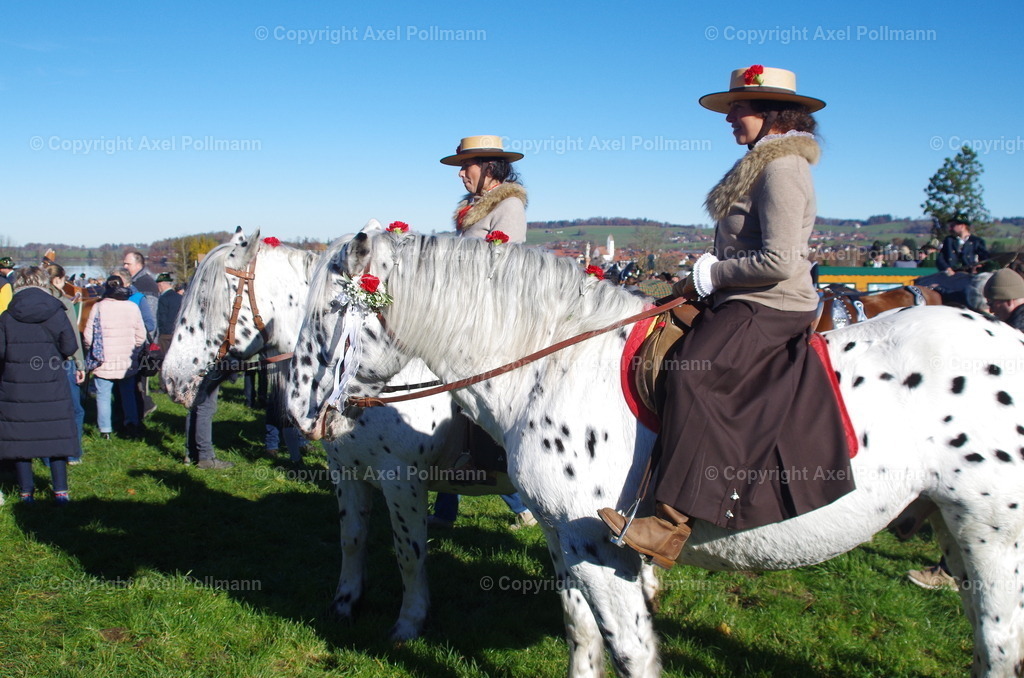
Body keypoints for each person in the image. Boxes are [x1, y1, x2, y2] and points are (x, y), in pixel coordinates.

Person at [599, 65, 855, 568]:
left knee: (693, 375)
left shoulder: (783, 168)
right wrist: (694, 279)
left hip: (773, 302)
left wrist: (714, 275)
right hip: (743, 295)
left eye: (737, 107)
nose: (728, 117)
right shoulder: (761, 163)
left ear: (770, 113)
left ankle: (671, 523)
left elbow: (779, 261)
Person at [431, 135, 536, 530]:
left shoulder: (509, 206)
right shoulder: (472, 208)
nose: (460, 174)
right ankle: (447, 509)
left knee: (472, 404)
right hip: (462, 314)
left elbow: (503, 266)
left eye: (467, 166)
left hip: (488, 319)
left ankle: (519, 501)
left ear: (490, 167)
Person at [0, 267, 82, 502]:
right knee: (56, 435)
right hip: (51, 381)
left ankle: (26, 492)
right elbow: (69, 346)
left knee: (20, 438)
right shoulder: (56, 312)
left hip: (16, 384)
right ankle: (61, 491)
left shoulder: (7, 316)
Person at [84, 276, 146, 439]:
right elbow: (141, 336)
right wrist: (134, 351)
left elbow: (88, 336)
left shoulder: (98, 307)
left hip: (103, 359)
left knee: (103, 395)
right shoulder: (132, 307)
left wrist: (93, 352)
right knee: (128, 394)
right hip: (126, 360)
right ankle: (131, 424)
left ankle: (105, 430)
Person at [46, 264, 86, 463]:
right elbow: (72, 337)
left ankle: (47, 455)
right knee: (74, 409)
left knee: (47, 410)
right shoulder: (63, 303)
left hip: (40, 361)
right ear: (58, 280)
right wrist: (80, 364)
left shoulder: (34, 303)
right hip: (64, 361)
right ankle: (72, 453)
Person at [184, 378, 234, 470]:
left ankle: (191, 454)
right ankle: (205, 457)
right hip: (207, 371)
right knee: (206, 406)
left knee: (194, 406)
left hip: (193, 371)